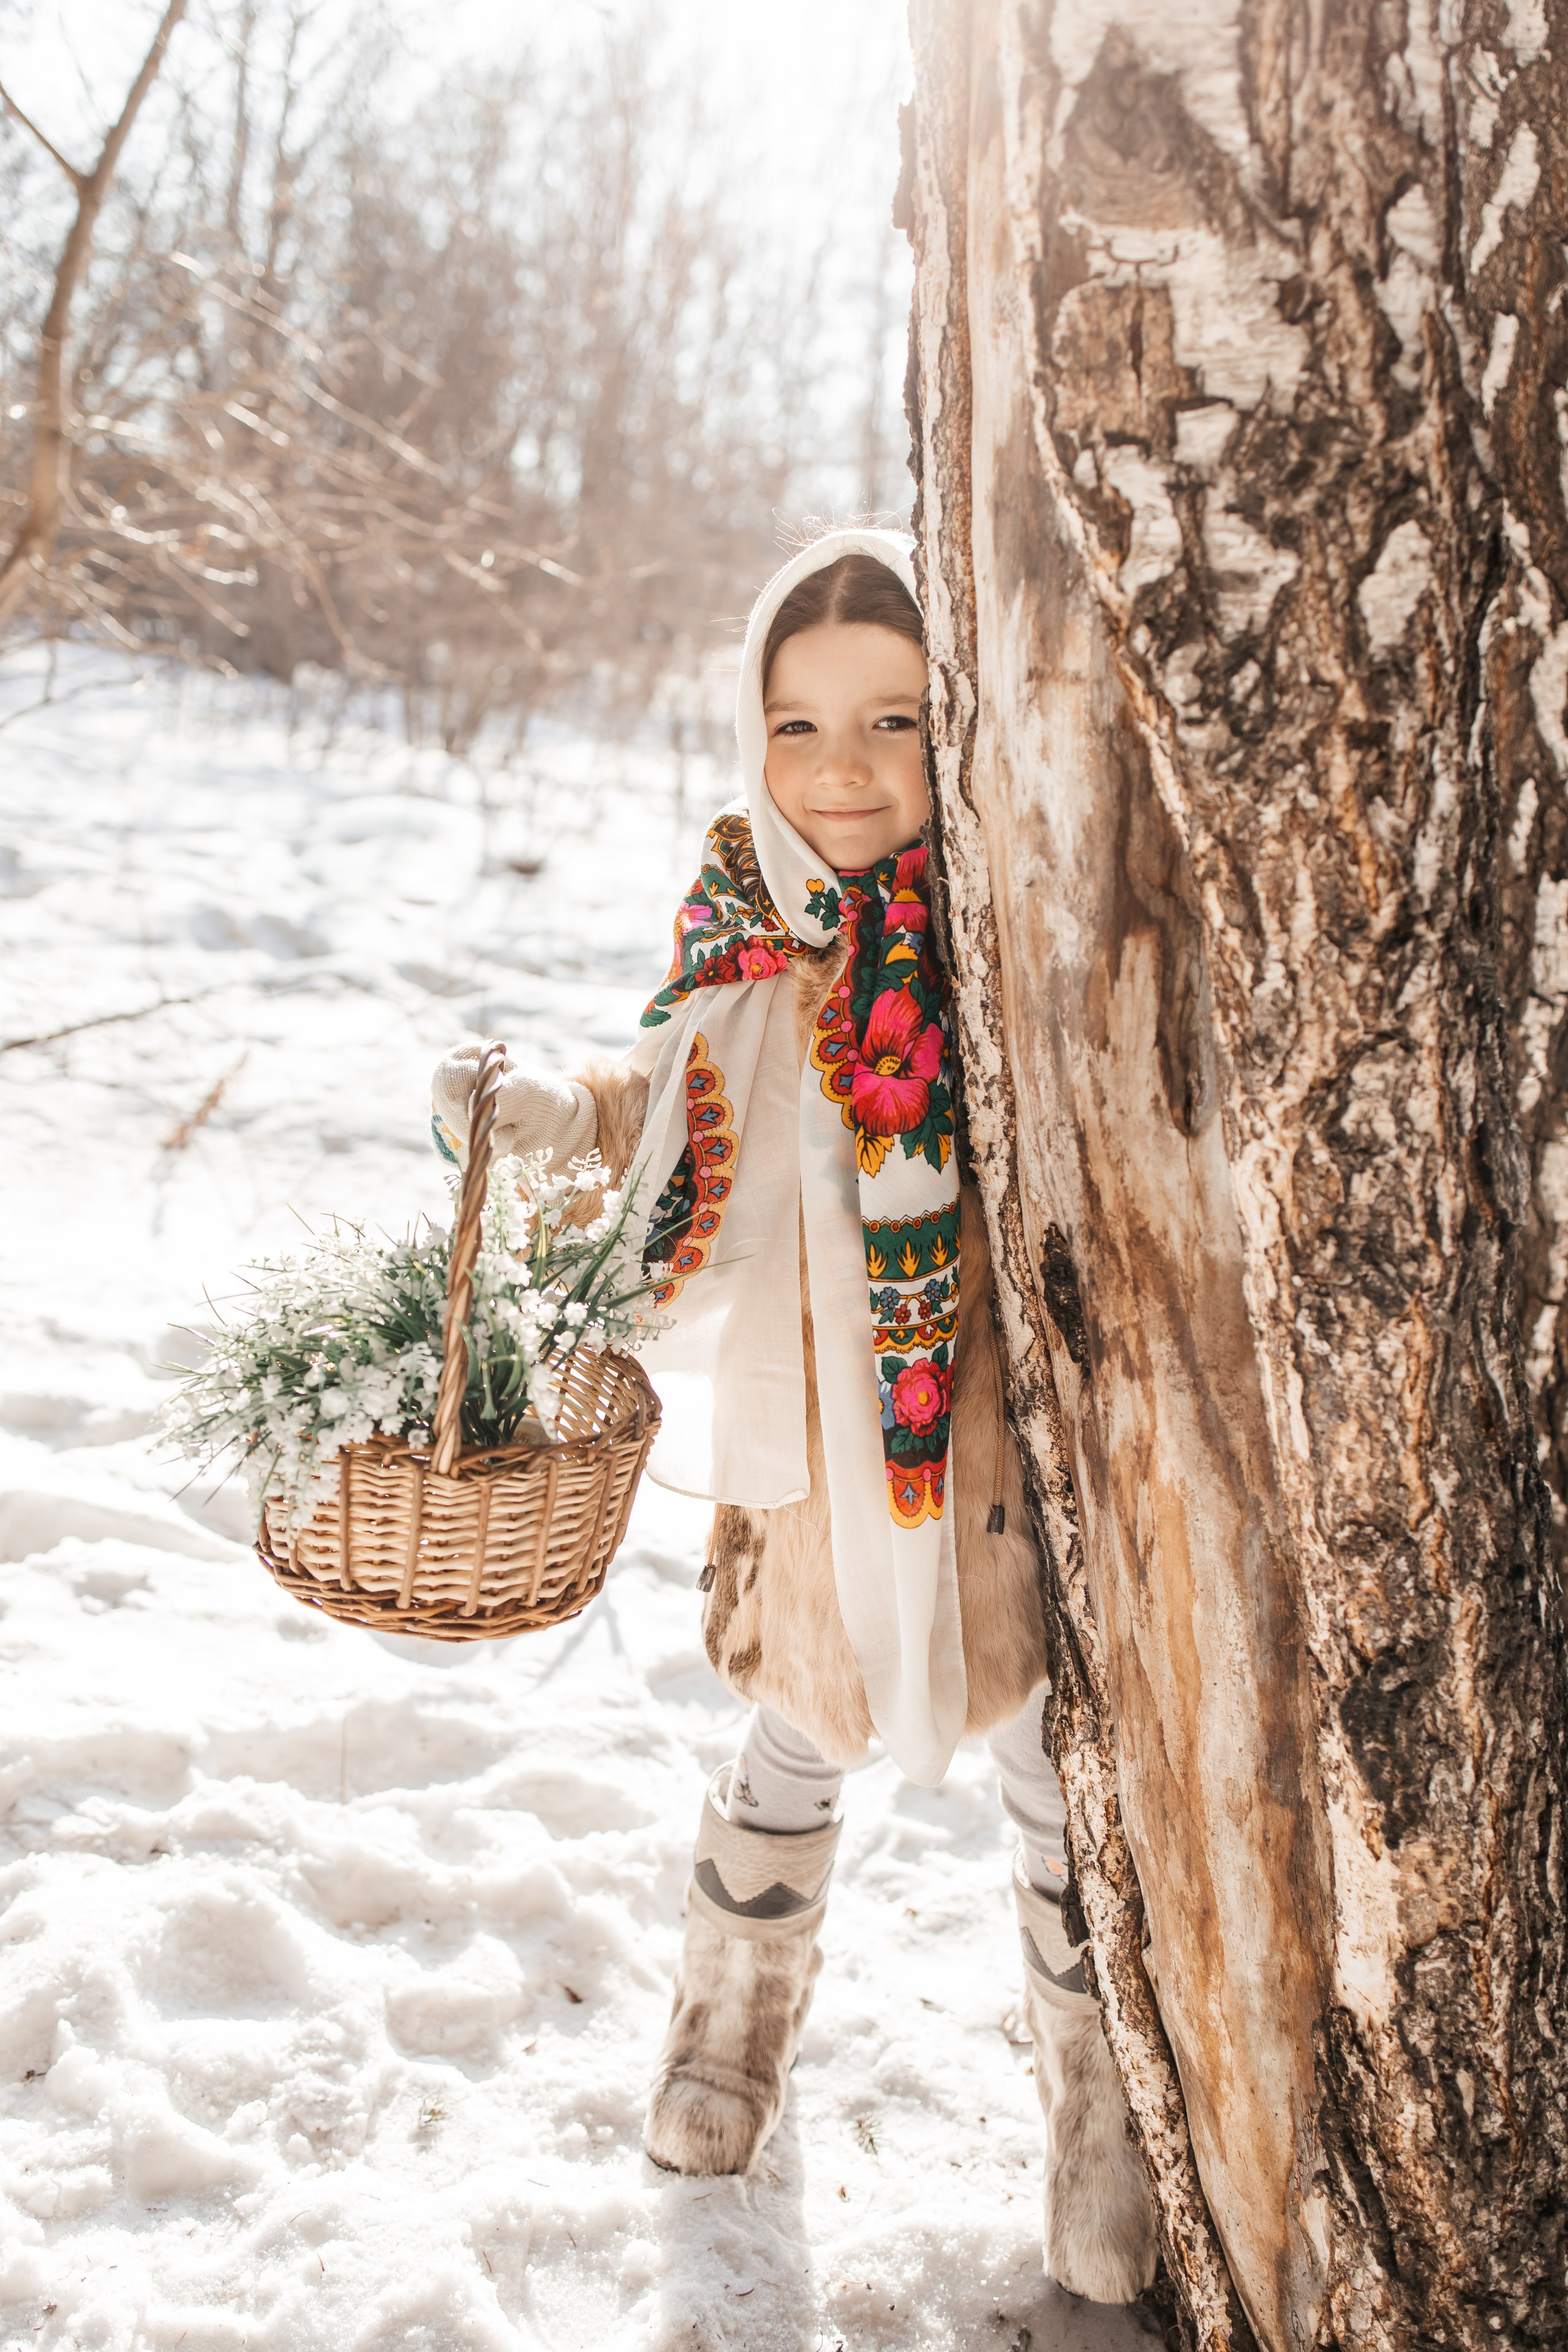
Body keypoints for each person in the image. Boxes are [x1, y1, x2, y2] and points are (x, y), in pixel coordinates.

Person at [431, 529, 1156, 2303]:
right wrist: (537, 1112)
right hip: (821, 1454)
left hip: (996, 1451)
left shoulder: (1006, 938)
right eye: (798, 726)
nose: (842, 772)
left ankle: (1097, 2111)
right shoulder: (748, 928)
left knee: (1055, 1779)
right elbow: (656, 1090)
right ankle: (728, 2033)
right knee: (797, 1734)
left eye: (896, 721)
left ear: (963, 725)